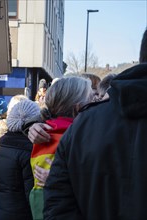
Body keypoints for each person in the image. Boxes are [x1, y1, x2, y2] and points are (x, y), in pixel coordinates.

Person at [43, 29, 147, 219]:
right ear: (75, 105)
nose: (95, 98)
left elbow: (57, 205)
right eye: (91, 95)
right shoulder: (68, 129)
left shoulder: (82, 126)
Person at [28, 76, 93, 219]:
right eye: (91, 99)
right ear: (78, 107)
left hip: (39, 202)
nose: (95, 104)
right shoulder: (77, 135)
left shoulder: (46, 130)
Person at [0, 99, 40, 220]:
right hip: (22, 214)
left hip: (1, 211)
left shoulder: (2, 147)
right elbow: (31, 194)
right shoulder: (28, 151)